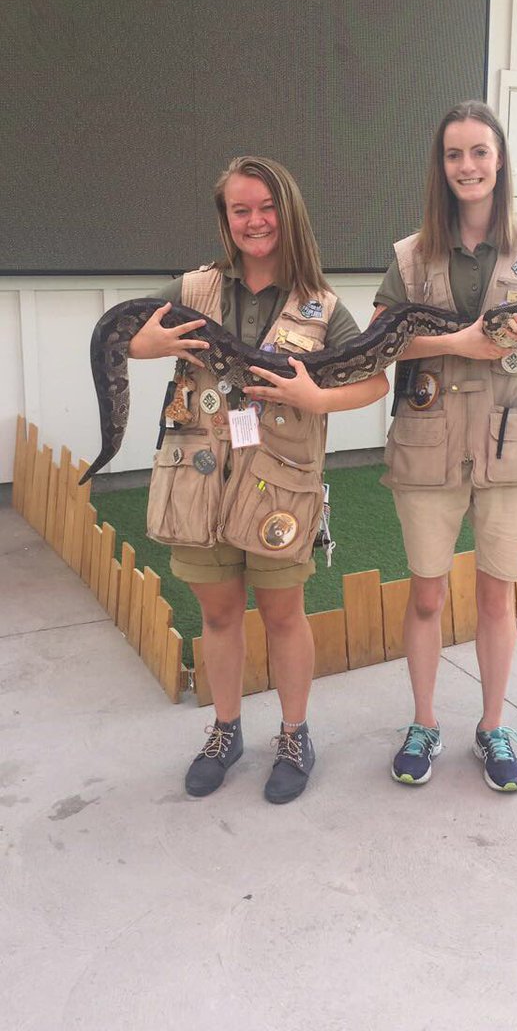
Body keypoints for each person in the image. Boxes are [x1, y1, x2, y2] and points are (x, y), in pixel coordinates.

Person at [128, 156, 389, 804]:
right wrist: (150, 347)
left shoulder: (320, 306)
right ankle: (225, 730)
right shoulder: (194, 290)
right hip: (200, 480)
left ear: (287, 211)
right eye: (239, 209)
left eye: (265, 207)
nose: (254, 220)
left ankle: (295, 735)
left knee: (282, 614)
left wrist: (318, 398)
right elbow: (128, 336)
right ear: (225, 219)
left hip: (279, 484)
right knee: (218, 614)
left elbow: (375, 379)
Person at [372, 101, 517, 792]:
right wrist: (456, 342)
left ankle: (492, 726)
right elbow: (378, 344)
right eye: (454, 154)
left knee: (497, 599)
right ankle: (424, 722)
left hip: (508, 447)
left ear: (499, 161)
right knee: (427, 596)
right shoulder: (410, 254)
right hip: (426, 446)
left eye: (479, 153)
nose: (467, 166)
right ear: (440, 166)